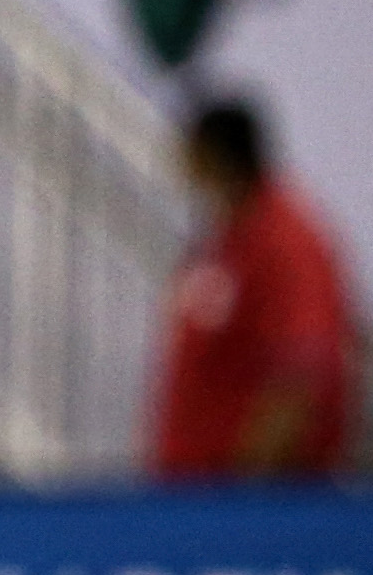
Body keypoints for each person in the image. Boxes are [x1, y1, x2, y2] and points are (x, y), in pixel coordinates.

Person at [148, 97, 360, 481]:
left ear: (211, 154)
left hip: (245, 503)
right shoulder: (222, 240)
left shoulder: (287, 241)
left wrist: (252, 495)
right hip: (190, 493)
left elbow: (300, 375)